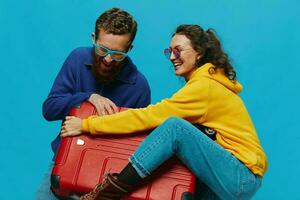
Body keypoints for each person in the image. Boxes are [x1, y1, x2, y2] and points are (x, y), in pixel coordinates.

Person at [62, 24, 268, 200]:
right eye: (168, 51)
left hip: (238, 176)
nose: (171, 57)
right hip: (225, 178)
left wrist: (87, 125)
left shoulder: (204, 88)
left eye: (178, 50)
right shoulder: (206, 85)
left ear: (199, 53)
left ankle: (108, 194)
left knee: (174, 128)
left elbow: (147, 116)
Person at [36, 8, 151, 200]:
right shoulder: (77, 59)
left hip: (105, 177)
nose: (107, 59)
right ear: (93, 38)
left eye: (117, 54)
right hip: (64, 161)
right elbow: (49, 109)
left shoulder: (140, 87)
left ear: (129, 49)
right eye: (102, 49)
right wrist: (87, 97)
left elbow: (136, 147)